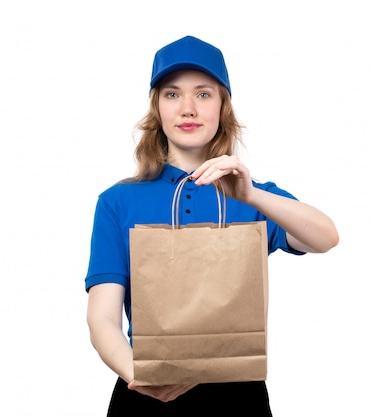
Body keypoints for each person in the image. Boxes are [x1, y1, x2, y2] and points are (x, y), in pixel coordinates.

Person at [85, 35, 339, 416]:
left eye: (203, 94)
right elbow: (102, 316)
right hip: (145, 387)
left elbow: (325, 237)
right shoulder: (118, 201)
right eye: (172, 95)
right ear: (157, 108)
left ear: (223, 107)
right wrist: (137, 375)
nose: (188, 108)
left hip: (238, 396)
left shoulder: (253, 195)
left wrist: (251, 196)